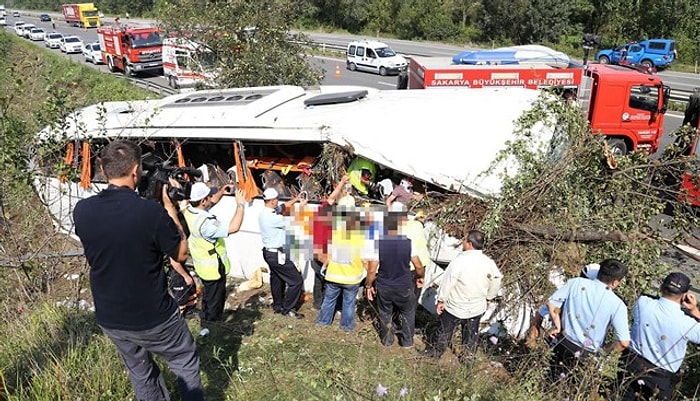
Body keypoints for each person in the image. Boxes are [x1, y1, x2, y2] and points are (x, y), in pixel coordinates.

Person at [73, 140, 202, 401]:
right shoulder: (151, 213)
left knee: (141, 373)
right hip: (153, 316)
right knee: (184, 361)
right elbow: (180, 253)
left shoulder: (82, 210)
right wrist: (169, 209)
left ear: (102, 167)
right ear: (136, 170)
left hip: (111, 316)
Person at [619, 272, 700, 401]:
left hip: (631, 365)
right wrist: (694, 311)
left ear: (662, 287)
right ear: (684, 295)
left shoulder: (643, 303)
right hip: (660, 379)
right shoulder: (688, 324)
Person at [423, 230, 502, 362]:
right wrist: (489, 297)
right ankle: (468, 359)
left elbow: (448, 282)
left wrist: (441, 300)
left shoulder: (460, 261)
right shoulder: (489, 263)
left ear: (470, 244)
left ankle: (435, 354)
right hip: (476, 307)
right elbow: (496, 280)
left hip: (455, 305)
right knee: (471, 335)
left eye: (464, 240)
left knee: (444, 332)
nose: (462, 242)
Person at [546, 258, 630, 381]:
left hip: (562, 343)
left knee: (548, 385)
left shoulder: (576, 283)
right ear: (615, 283)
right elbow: (623, 342)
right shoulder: (618, 305)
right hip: (587, 356)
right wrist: (603, 353)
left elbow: (551, 303)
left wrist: (558, 326)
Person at [182, 182, 246, 329]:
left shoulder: (189, 211)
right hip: (214, 268)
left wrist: (222, 191)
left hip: (202, 266)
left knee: (208, 295)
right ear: (203, 201)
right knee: (215, 298)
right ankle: (212, 326)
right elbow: (234, 227)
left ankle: (206, 317)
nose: (211, 198)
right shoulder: (207, 224)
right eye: (208, 196)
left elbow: (211, 201)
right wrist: (240, 205)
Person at [365, 212, 424, 347]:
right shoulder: (408, 243)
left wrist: (368, 286)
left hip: (384, 286)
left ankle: (387, 340)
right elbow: (418, 265)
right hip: (404, 285)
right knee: (408, 313)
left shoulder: (379, 244)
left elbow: (372, 269)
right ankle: (407, 342)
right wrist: (420, 277)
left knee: (385, 313)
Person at [316, 208, 372, 331]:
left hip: (333, 275)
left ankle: (323, 322)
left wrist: (326, 265)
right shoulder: (361, 239)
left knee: (329, 300)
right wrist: (371, 277)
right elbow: (365, 260)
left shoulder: (335, 234)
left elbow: (323, 253)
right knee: (349, 303)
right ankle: (346, 326)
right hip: (351, 279)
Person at [259, 188, 306, 318]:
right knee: (296, 281)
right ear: (273, 201)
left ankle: (278, 306)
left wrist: (295, 199)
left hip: (269, 253)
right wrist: (301, 207)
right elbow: (292, 221)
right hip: (277, 255)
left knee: (277, 279)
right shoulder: (272, 218)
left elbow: (282, 207)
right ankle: (289, 309)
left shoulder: (266, 212)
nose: (278, 201)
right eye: (276, 199)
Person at [310, 174, 350, 309]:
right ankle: (330, 307)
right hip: (323, 255)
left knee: (318, 278)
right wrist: (343, 182)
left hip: (315, 252)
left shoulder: (321, 211)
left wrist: (342, 182)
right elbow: (333, 198)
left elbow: (332, 198)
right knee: (331, 281)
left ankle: (317, 304)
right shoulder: (332, 220)